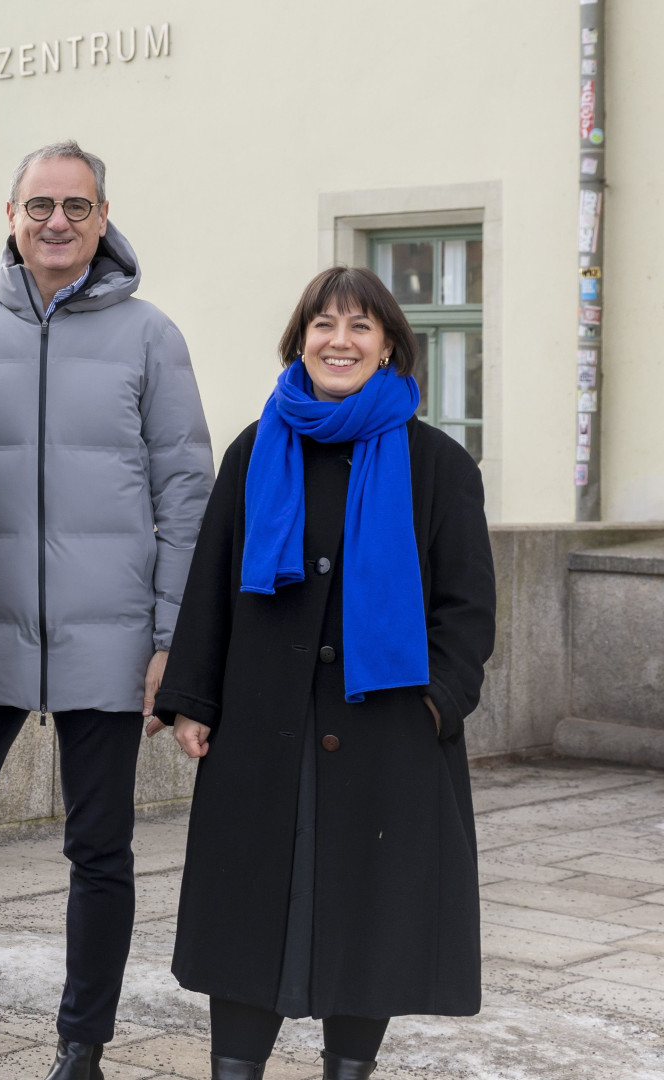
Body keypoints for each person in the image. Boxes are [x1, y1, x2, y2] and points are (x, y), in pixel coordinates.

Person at [153, 267, 494, 1080]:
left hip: (386, 735)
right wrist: (192, 699)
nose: (340, 341)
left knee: (369, 917)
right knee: (246, 912)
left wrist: (436, 706)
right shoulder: (256, 449)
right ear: (300, 340)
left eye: (360, 327)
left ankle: (349, 1068)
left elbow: (467, 610)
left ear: (389, 347)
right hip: (260, 729)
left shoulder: (438, 464)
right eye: (324, 325)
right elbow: (212, 581)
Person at [0, 140, 214, 1080]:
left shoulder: (151, 336)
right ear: (10, 216)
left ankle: (82, 1048)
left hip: (111, 642)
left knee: (101, 852)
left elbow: (186, 497)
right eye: (40, 205)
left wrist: (170, 641)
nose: (57, 222)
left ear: (103, 217)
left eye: (76, 207)